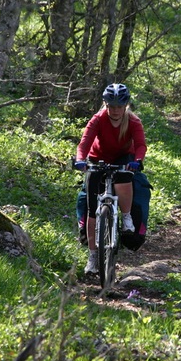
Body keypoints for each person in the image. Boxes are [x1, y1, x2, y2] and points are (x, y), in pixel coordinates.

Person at [74, 83, 147, 274]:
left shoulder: (133, 122)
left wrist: (138, 160)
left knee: (124, 179)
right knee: (92, 210)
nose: (115, 110)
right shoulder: (98, 119)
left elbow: (140, 145)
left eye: (119, 106)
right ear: (105, 104)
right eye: (111, 106)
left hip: (125, 159)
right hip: (98, 158)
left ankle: (127, 216)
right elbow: (84, 143)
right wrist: (81, 160)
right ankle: (92, 256)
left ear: (126, 106)